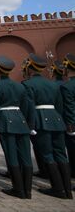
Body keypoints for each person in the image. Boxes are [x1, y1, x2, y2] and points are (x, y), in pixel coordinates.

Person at [23, 53, 72, 199]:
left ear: (29, 69)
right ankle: (68, 190)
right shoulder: (53, 84)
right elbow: (59, 105)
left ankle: (57, 188)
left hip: (40, 120)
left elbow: (29, 107)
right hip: (56, 120)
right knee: (61, 154)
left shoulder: (27, 84)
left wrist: (29, 124)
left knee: (48, 154)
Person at [0, 55, 34, 199]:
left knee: (12, 156)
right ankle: (28, 190)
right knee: (26, 156)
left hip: (5, 122)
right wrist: (28, 123)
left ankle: (18, 189)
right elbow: (27, 106)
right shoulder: (20, 86)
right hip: (21, 121)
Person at [60, 54, 75, 179]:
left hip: (73, 123)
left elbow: (69, 107)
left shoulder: (67, 86)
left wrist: (70, 125)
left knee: (73, 151)